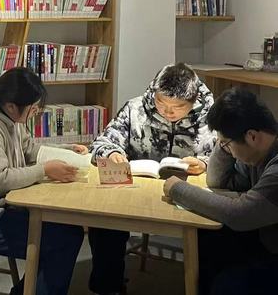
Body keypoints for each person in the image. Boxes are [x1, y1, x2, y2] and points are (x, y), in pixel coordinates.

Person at [0, 67, 86, 295]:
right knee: (63, 239)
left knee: (66, 231)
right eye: (33, 108)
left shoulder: (10, 119)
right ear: (11, 106)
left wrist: (68, 150)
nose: (35, 112)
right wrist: (44, 170)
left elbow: (30, 150)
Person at [87, 63, 215, 295]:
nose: (168, 112)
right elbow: (102, 142)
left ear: (194, 100)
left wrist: (205, 163)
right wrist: (112, 153)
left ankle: (201, 287)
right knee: (104, 221)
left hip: (189, 194)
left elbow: (229, 155)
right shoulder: (135, 109)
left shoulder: (212, 116)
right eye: (161, 103)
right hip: (137, 190)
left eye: (178, 107)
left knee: (212, 231)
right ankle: (109, 287)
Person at [164, 88, 278, 295]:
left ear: (252, 136)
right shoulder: (258, 154)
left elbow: (241, 214)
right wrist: (224, 144)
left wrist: (178, 188)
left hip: (271, 250)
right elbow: (220, 182)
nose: (227, 150)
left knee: (228, 284)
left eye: (226, 144)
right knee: (208, 238)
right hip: (265, 238)